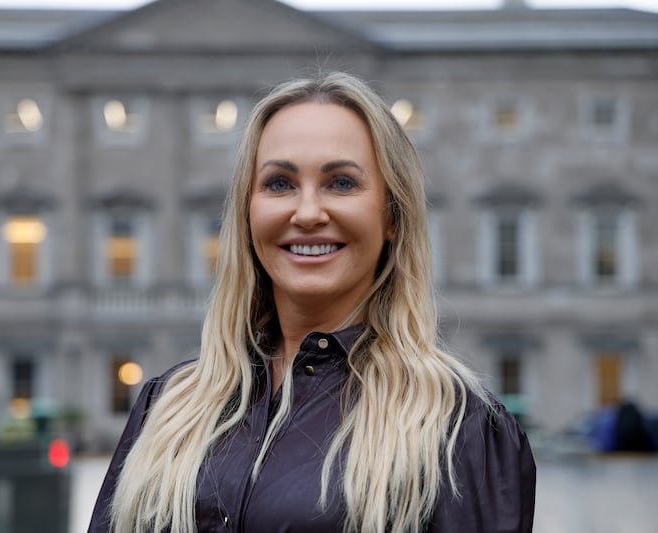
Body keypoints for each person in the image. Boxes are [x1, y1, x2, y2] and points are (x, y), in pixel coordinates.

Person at [89, 71, 536, 533]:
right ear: (247, 213)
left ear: (392, 217)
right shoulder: (166, 407)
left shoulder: (458, 429)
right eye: (279, 184)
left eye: (341, 183)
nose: (306, 213)